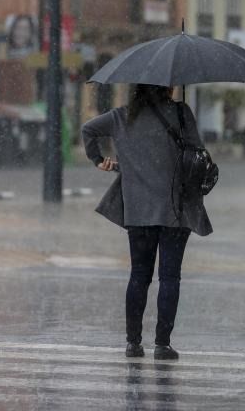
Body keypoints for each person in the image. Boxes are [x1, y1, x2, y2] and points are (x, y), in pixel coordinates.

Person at [81, 84, 212, 360]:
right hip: (175, 209)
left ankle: (133, 342)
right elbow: (197, 155)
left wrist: (100, 160)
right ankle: (162, 345)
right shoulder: (181, 113)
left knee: (139, 275)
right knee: (169, 277)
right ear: (168, 86)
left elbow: (88, 129)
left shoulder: (122, 116)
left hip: (138, 211)